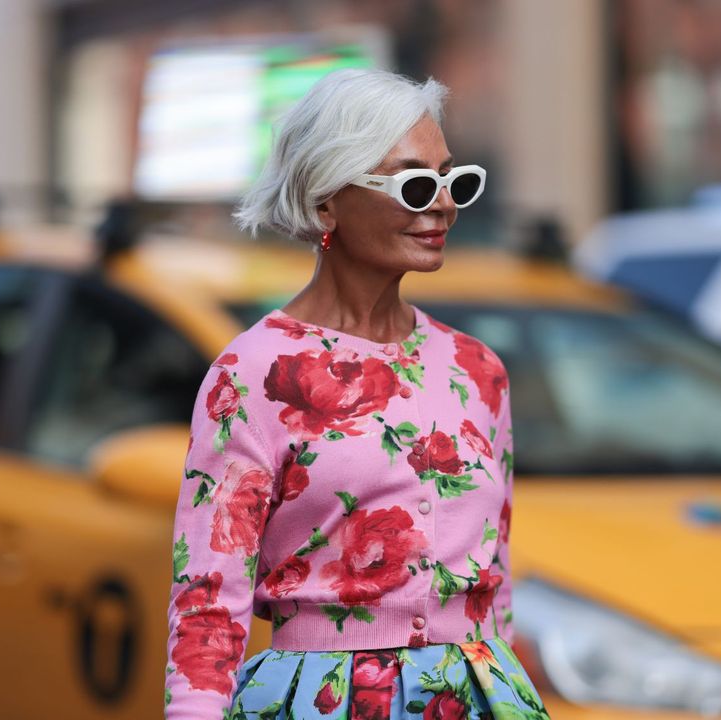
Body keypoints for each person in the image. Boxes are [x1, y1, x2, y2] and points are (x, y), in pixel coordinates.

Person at [164, 69, 550, 720]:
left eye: (454, 180)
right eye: (416, 184)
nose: (444, 204)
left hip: (480, 698)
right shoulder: (254, 372)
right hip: (321, 702)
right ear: (324, 204)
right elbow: (207, 596)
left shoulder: (477, 369)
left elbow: (496, 586)